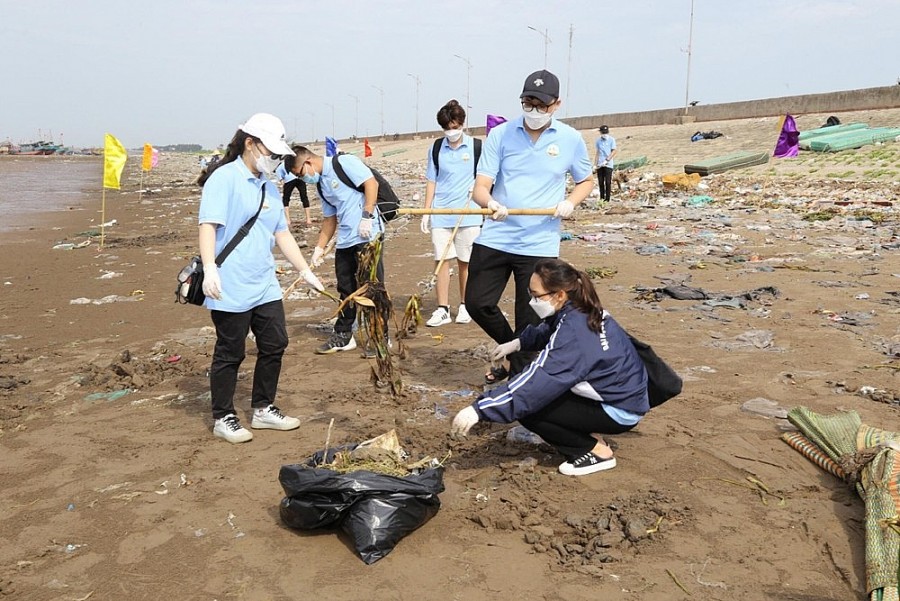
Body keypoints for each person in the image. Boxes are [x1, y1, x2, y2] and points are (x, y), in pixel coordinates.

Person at [450, 258, 649, 476]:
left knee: (530, 408)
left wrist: (480, 409)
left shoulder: (574, 335)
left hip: (619, 408)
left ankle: (594, 451)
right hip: (627, 395)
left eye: (536, 296)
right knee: (534, 397)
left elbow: (536, 383)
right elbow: (549, 329)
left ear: (559, 294)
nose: (532, 301)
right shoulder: (580, 308)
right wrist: (519, 343)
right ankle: (588, 433)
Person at [197, 113, 324, 444]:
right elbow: (208, 225)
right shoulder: (223, 179)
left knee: (275, 343)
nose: (274, 159)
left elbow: (281, 233)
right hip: (230, 283)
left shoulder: (269, 186)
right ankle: (223, 416)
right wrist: (210, 268)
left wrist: (304, 270)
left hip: (265, 282)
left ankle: (263, 408)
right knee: (231, 350)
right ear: (250, 144)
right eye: (270, 151)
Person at [468, 69, 593, 383]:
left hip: (538, 243)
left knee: (529, 318)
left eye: (542, 105)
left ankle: (521, 380)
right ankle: (514, 353)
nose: (534, 111)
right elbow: (480, 186)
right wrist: (490, 203)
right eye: (528, 103)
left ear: (557, 104)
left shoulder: (570, 139)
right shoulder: (501, 135)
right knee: (477, 302)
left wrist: (571, 202)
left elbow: (586, 180)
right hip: (497, 235)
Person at [284, 145, 384, 355]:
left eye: (300, 174)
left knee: (372, 287)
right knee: (346, 289)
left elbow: (371, 184)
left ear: (308, 162)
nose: (303, 179)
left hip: (368, 235)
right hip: (346, 240)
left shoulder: (343, 163)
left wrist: (366, 216)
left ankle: (380, 337)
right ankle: (343, 335)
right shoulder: (320, 184)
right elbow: (330, 219)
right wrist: (319, 249)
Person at [421, 99, 481, 327]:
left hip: (469, 212)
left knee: (466, 262)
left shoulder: (476, 147)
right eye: (447, 128)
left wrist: (476, 189)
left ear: (462, 124)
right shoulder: (436, 148)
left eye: (455, 127)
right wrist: (427, 211)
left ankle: (465, 306)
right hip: (441, 213)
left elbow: (485, 178)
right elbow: (431, 180)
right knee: (442, 260)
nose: (451, 132)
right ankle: (442, 309)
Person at [275, 161, 314, 226]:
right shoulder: (295, 161)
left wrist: (282, 181)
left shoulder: (282, 165)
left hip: (289, 180)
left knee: (286, 199)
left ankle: (288, 220)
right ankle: (308, 219)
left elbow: (279, 174)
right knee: (304, 197)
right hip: (299, 178)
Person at [594, 125, 617, 202]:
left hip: (608, 164)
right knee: (600, 182)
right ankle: (601, 198)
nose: (604, 134)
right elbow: (597, 152)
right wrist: (595, 164)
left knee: (607, 182)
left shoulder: (611, 140)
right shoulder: (598, 141)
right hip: (600, 164)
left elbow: (614, 151)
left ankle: (607, 199)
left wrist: (607, 160)